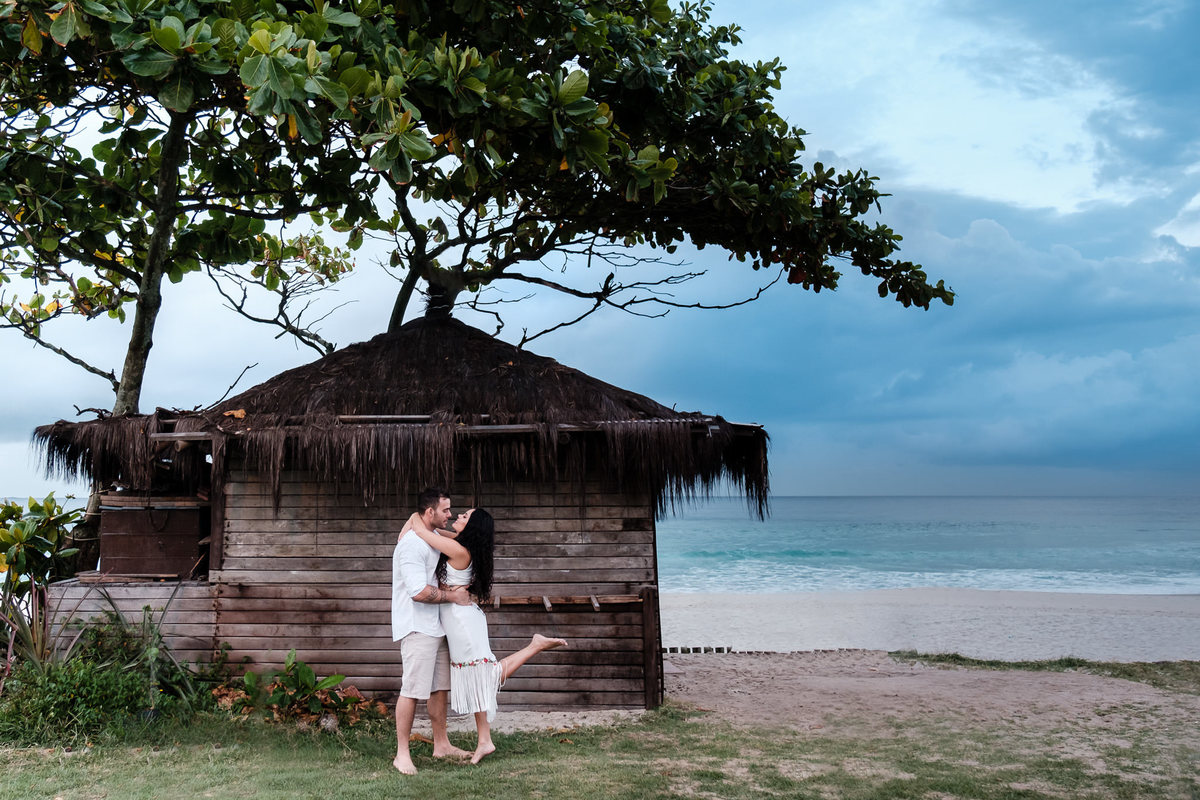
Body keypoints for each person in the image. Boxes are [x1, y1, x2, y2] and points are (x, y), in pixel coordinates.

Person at [402, 506, 568, 764]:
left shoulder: (458, 550)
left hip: (463, 624)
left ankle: (534, 645)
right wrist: (423, 523)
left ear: (473, 527)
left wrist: (416, 516)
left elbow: (422, 532)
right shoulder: (459, 545)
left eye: (465, 517)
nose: (457, 517)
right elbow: (430, 533)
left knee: (484, 675)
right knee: (478, 677)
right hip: (460, 621)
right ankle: (484, 740)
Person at [391, 487, 473, 775]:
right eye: (446, 510)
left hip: (436, 625)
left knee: (439, 687)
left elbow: (461, 540)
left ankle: (442, 745)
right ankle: (402, 754)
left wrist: (412, 518)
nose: (450, 515)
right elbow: (416, 591)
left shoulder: (433, 536)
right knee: (412, 689)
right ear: (430, 512)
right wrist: (454, 597)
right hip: (417, 626)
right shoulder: (412, 545)